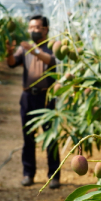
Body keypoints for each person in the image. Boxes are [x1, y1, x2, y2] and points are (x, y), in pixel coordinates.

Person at [7, 15, 60, 188]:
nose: (32, 30)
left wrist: (34, 50)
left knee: (50, 137)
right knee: (28, 137)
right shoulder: (24, 49)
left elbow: (52, 61)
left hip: (46, 97)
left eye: (36, 27)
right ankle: (28, 174)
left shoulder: (52, 46)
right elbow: (12, 64)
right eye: (31, 27)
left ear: (45, 29)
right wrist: (9, 52)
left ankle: (54, 175)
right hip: (28, 97)